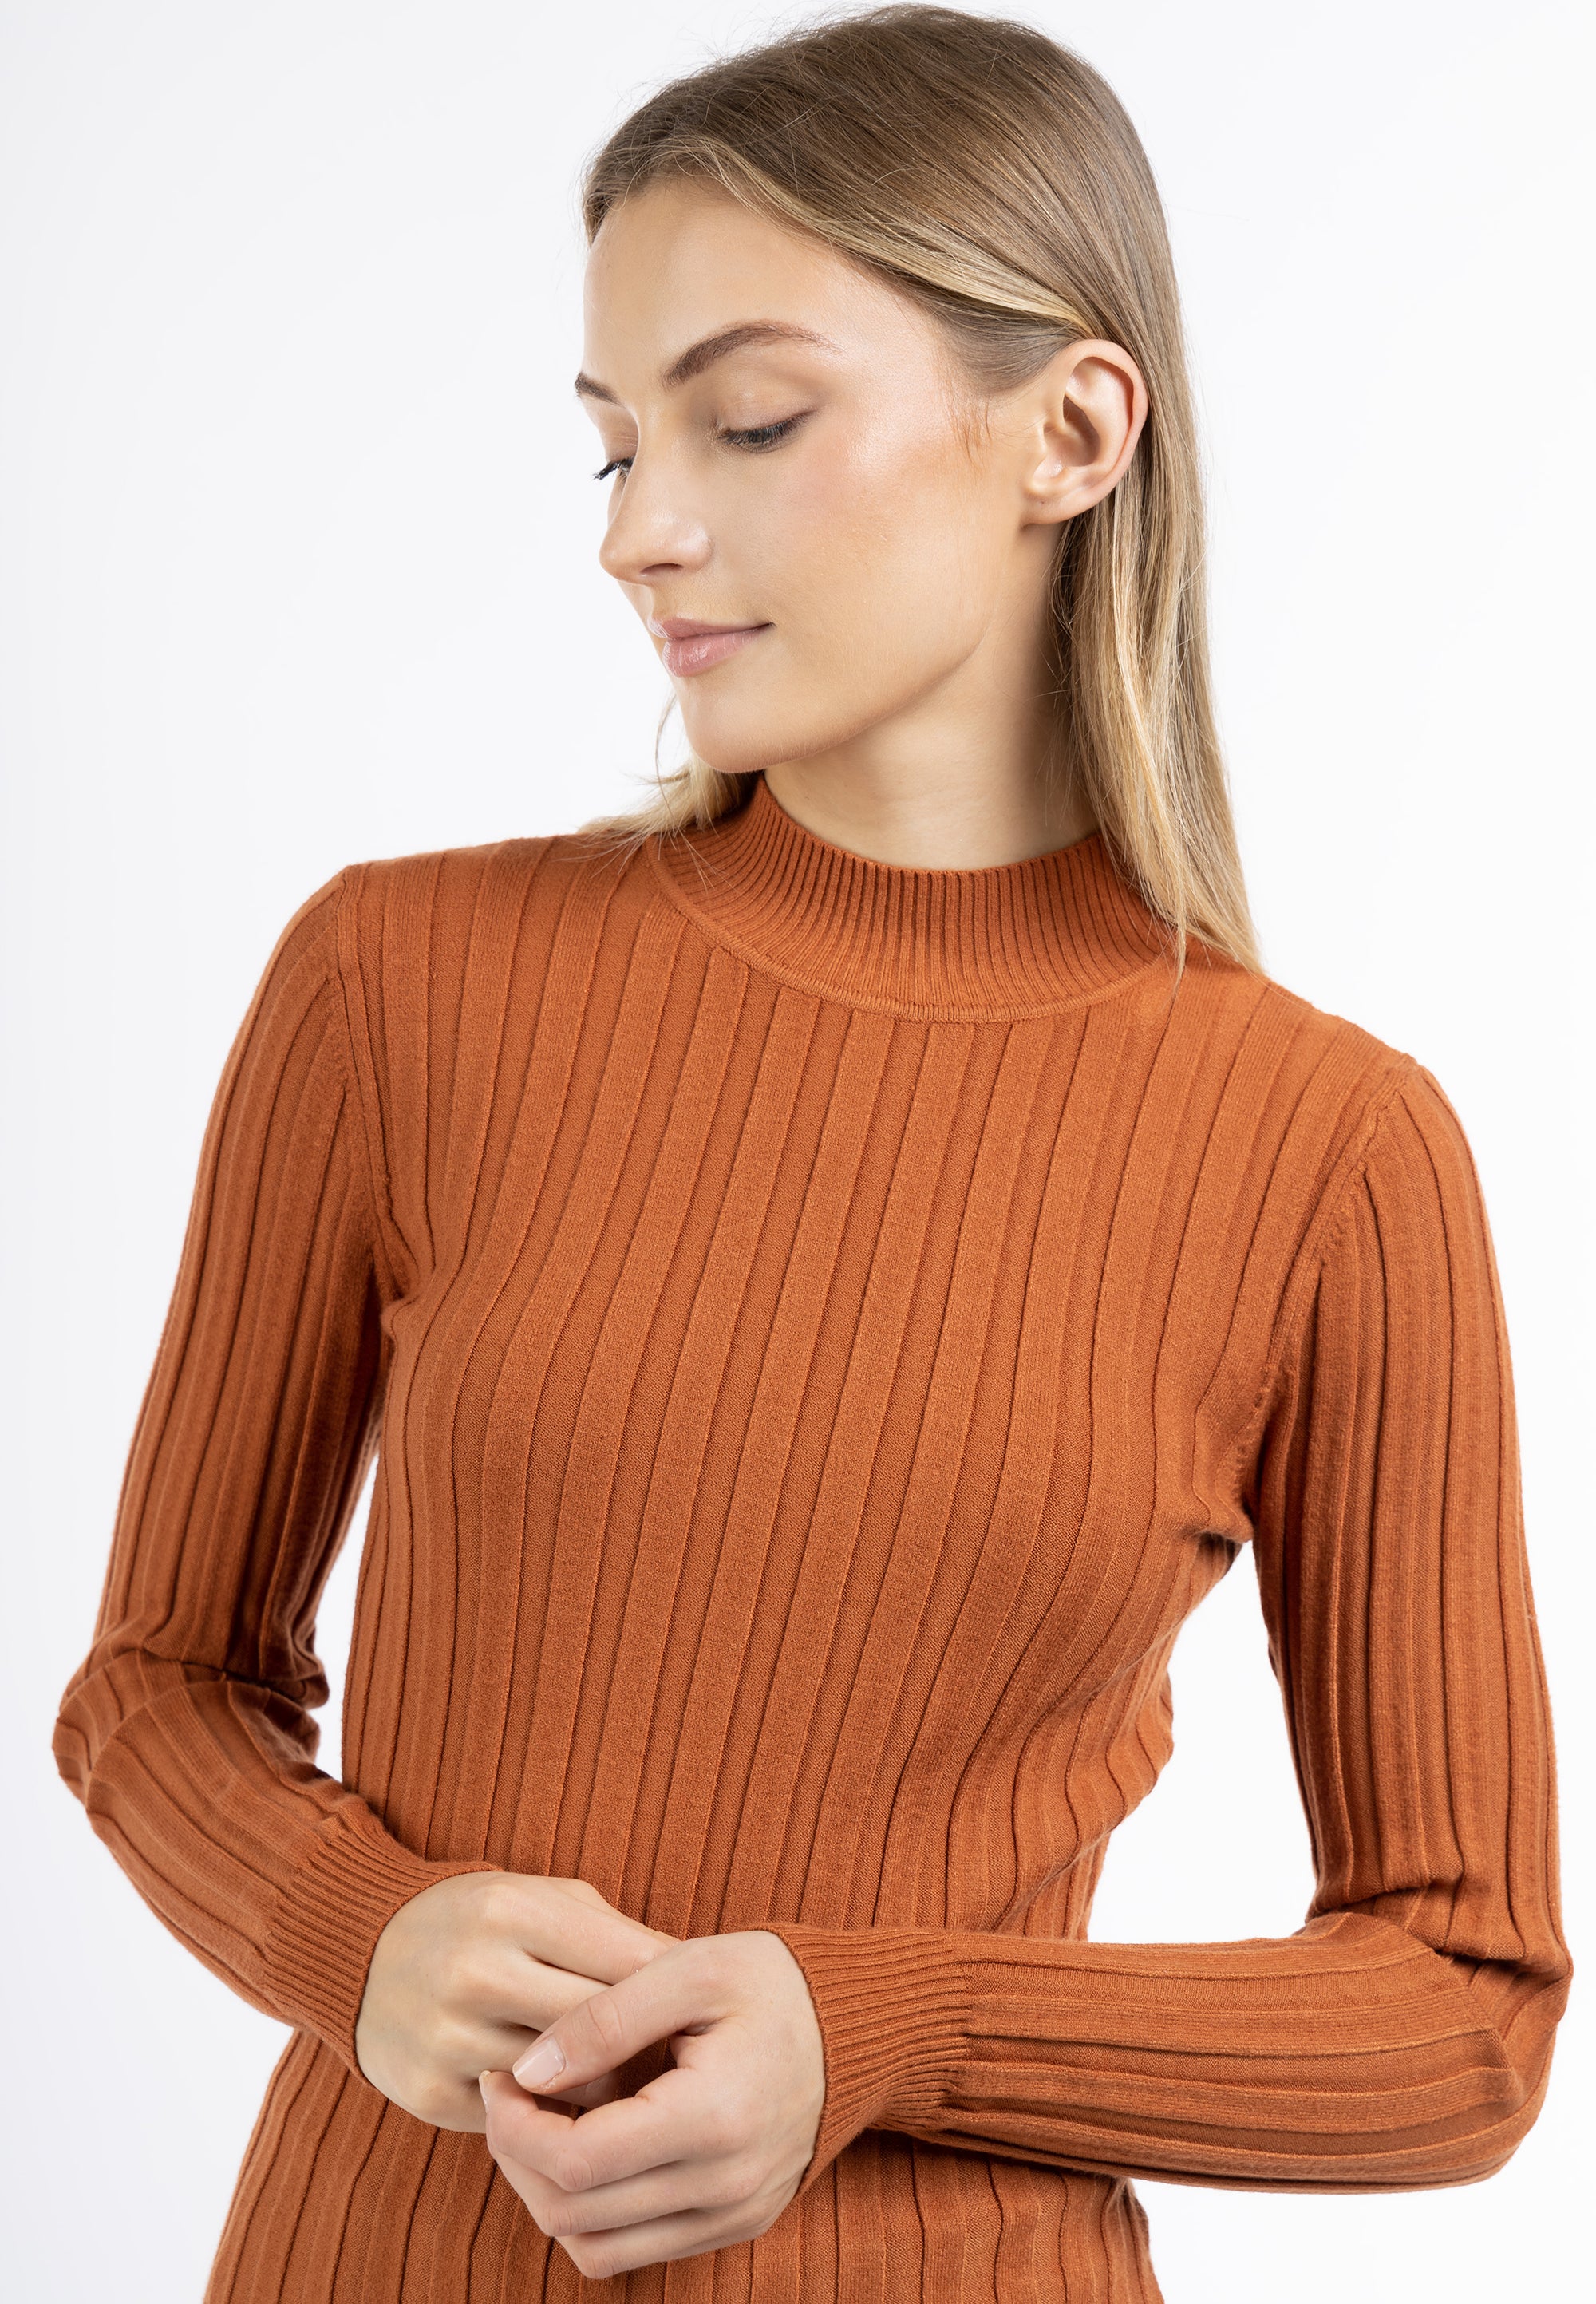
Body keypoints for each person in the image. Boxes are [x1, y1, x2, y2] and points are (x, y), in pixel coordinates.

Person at [53, 7, 1570, 2299]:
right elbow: (156, 1683)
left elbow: (1459, 2017)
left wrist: (886, 2030)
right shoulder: (400, 980)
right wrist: (354, 1933)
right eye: (613, 445)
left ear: (1072, 431)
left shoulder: (1326, 1150)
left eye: (749, 422)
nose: (640, 531)